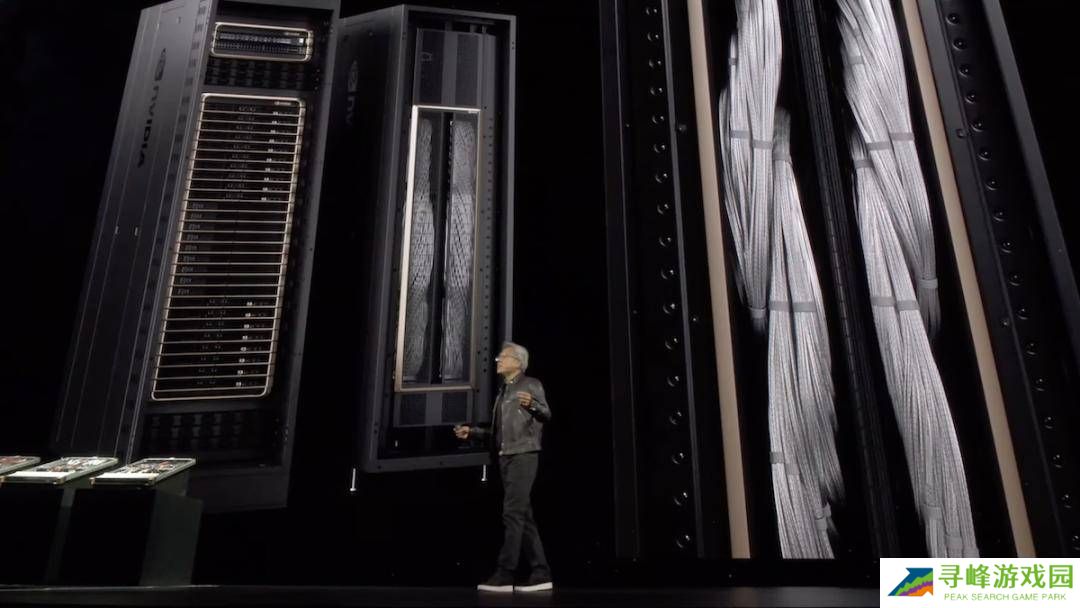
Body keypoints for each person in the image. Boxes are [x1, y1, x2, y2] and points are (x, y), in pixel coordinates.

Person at [453, 341, 553, 593]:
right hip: (505, 456)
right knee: (523, 516)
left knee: (512, 513)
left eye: (504, 357)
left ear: (518, 362)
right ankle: (541, 573)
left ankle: (505, 574)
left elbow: (546, 414)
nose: (498, 360)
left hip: (523, 455)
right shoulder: (503, 392)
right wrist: (472, 432)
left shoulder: (531, 384)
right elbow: (497, 432)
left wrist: (532, 405)